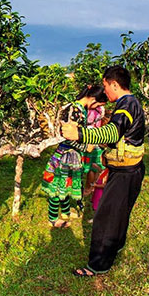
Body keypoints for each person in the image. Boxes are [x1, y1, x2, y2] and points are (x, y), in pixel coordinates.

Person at [62, 66, 146, 277]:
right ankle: (115, 247)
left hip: (126, 171)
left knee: (106, 218)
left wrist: (79, 134)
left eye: (106, 85)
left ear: (115, 84)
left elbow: (112, 132)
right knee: (119, 213)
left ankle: (98, 265)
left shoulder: (126, 104)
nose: (105, 91)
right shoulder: (131, 103)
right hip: (132, 168)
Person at [41, 85, 108, 228]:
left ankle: (65, 213)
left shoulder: (81, 109)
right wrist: (85, 146)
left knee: (66, 186)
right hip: (65, 154)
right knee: (57, 187)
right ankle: (53, 219)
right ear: (94, 99)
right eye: (99, 104)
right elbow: (67, 136)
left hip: (72, 155)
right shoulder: (76, 110)